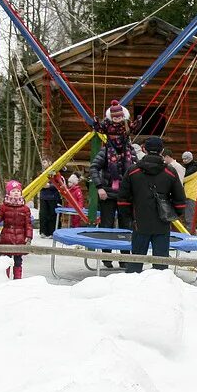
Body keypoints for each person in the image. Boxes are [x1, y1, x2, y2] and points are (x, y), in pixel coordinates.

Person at [117, 136, 187, 272]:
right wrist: (172, 215)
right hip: (162, 222)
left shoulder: (132, 171)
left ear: (144, 149)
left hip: (139, 222)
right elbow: (180, 201)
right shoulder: (170, 172)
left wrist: (130, 218)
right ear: (161, 151)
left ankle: (130, 290)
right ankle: (159, 291)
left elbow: (122, 200)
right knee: (161, 266)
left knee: (135, 263)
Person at [89, 100, 138, 267]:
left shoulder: (130, 152)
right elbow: (94, 168)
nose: (118, 140)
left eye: (121, 137)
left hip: (125, 195)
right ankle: (107, 257)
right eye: (115, 137)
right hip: (109, 193)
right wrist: (100, 187)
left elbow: (136, 171)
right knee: (107, 225)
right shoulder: (105, 151)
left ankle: (125, 258)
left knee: (126, 226)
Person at [0, 180, 33, 279]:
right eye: (13, 191)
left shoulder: (25, 209)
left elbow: (28, 224)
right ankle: (5, 278)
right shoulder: (4, 207)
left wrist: (28, 236)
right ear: (8, 193)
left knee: (18, 261)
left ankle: (17, 280)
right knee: (6, 260)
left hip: (20, 238)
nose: (16, 192)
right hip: (6, 238)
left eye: (18, 191)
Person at [181, 151, 197, 229]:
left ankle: (191, 236)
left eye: (186, 159)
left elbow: (183, 179)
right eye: (183, 159)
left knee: (189, 218)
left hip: (190, 194)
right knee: (184, 217)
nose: (184, 160)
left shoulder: (194, 168)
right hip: (184, 194)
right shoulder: (186, 167)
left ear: (190, 159)